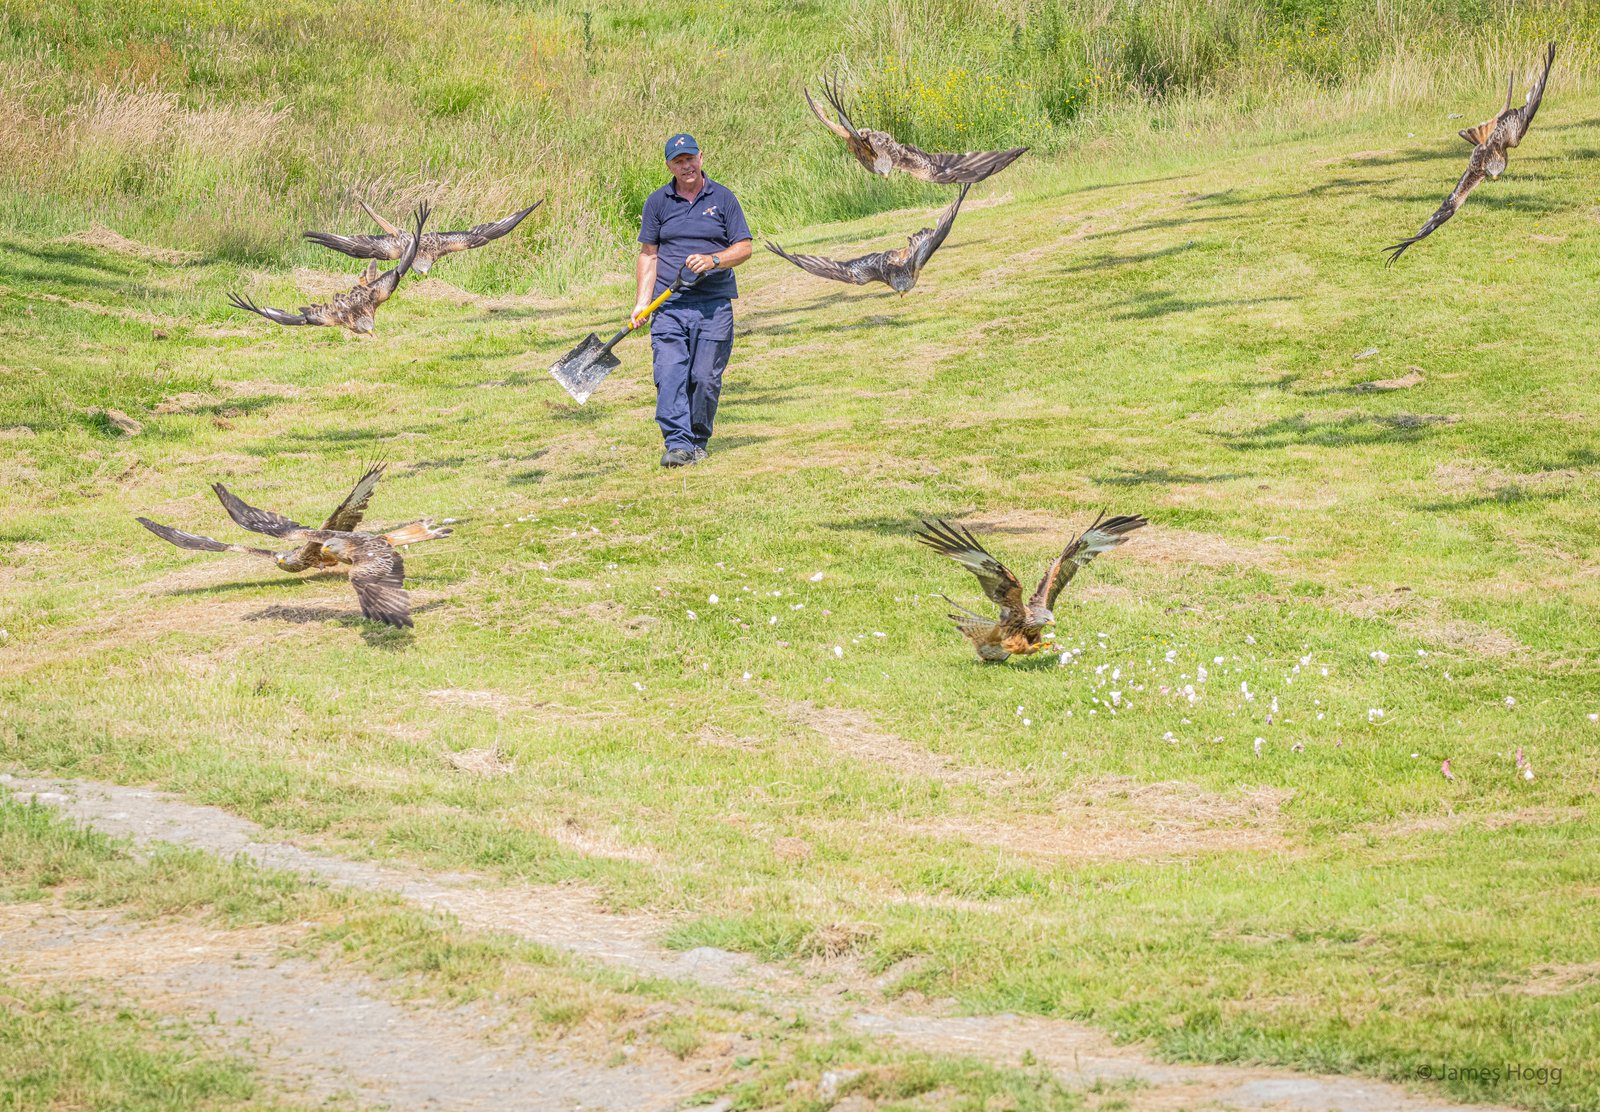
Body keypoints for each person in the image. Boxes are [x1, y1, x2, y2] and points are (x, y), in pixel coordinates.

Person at [633, 133, 752, 467]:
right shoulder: (657, 203)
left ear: (701, 157)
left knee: (704, 378)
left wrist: (714, 260)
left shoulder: (724, 198)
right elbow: (649, 255)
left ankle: (698, 439)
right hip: (669, 306)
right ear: (669, 165)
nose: (685, 166)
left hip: (714, 304)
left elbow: (744, 248)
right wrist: (642, 301)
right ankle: (678, 444)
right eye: (678, 161)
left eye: (689, 159)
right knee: (670, 372)